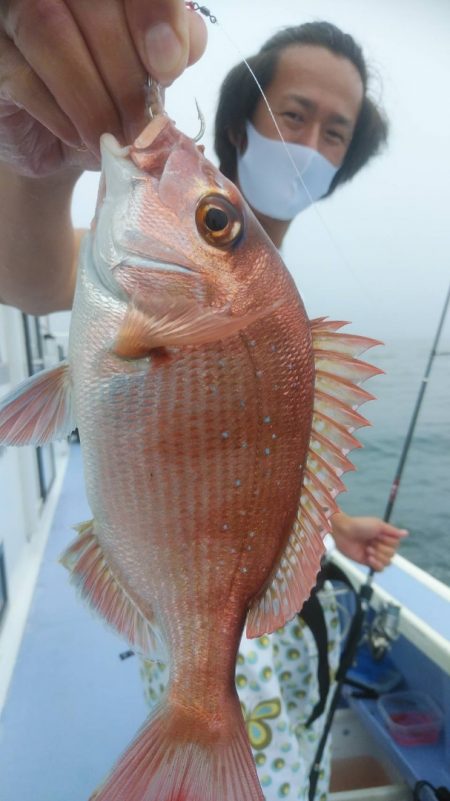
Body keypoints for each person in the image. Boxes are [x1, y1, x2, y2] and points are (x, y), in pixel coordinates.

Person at [0, 9, 406, 800]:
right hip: (210, 626)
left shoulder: (273, 310)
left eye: (336, 131)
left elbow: (270, 461)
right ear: (241, 118)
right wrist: (37, 170)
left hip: (269, 621)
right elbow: (32, 273)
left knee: (296, 775)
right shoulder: (161, 269)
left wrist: (340, 524)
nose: (312, 142)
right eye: (294, 113)